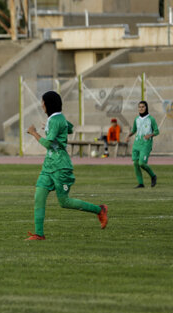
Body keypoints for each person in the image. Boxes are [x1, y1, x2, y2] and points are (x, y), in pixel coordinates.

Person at [25, 91, 108, 240]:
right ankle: (39, 234)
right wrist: (52, 128)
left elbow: (49, 143)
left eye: (43, 101)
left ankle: (99, 210)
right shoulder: (55, 118)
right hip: (49, 165)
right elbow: (69, 128)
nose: (41, 104)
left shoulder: (56, 120)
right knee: (39, 196)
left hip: (61, 166)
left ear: (48, 104)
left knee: (64, 202)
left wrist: (34, 133)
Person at [126, 100, 159, 188]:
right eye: (139, 107)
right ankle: (141, 183)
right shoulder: (136, 119)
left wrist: (150, 135)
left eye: (143, 107)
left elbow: (157, 131)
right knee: (136, 164)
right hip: (137, 144)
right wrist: (129, 135)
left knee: (142, 163)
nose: (141, 108)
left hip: (146, 144)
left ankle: (153, 176)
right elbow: (134, 130)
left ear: (146, 108)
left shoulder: (151, 119)